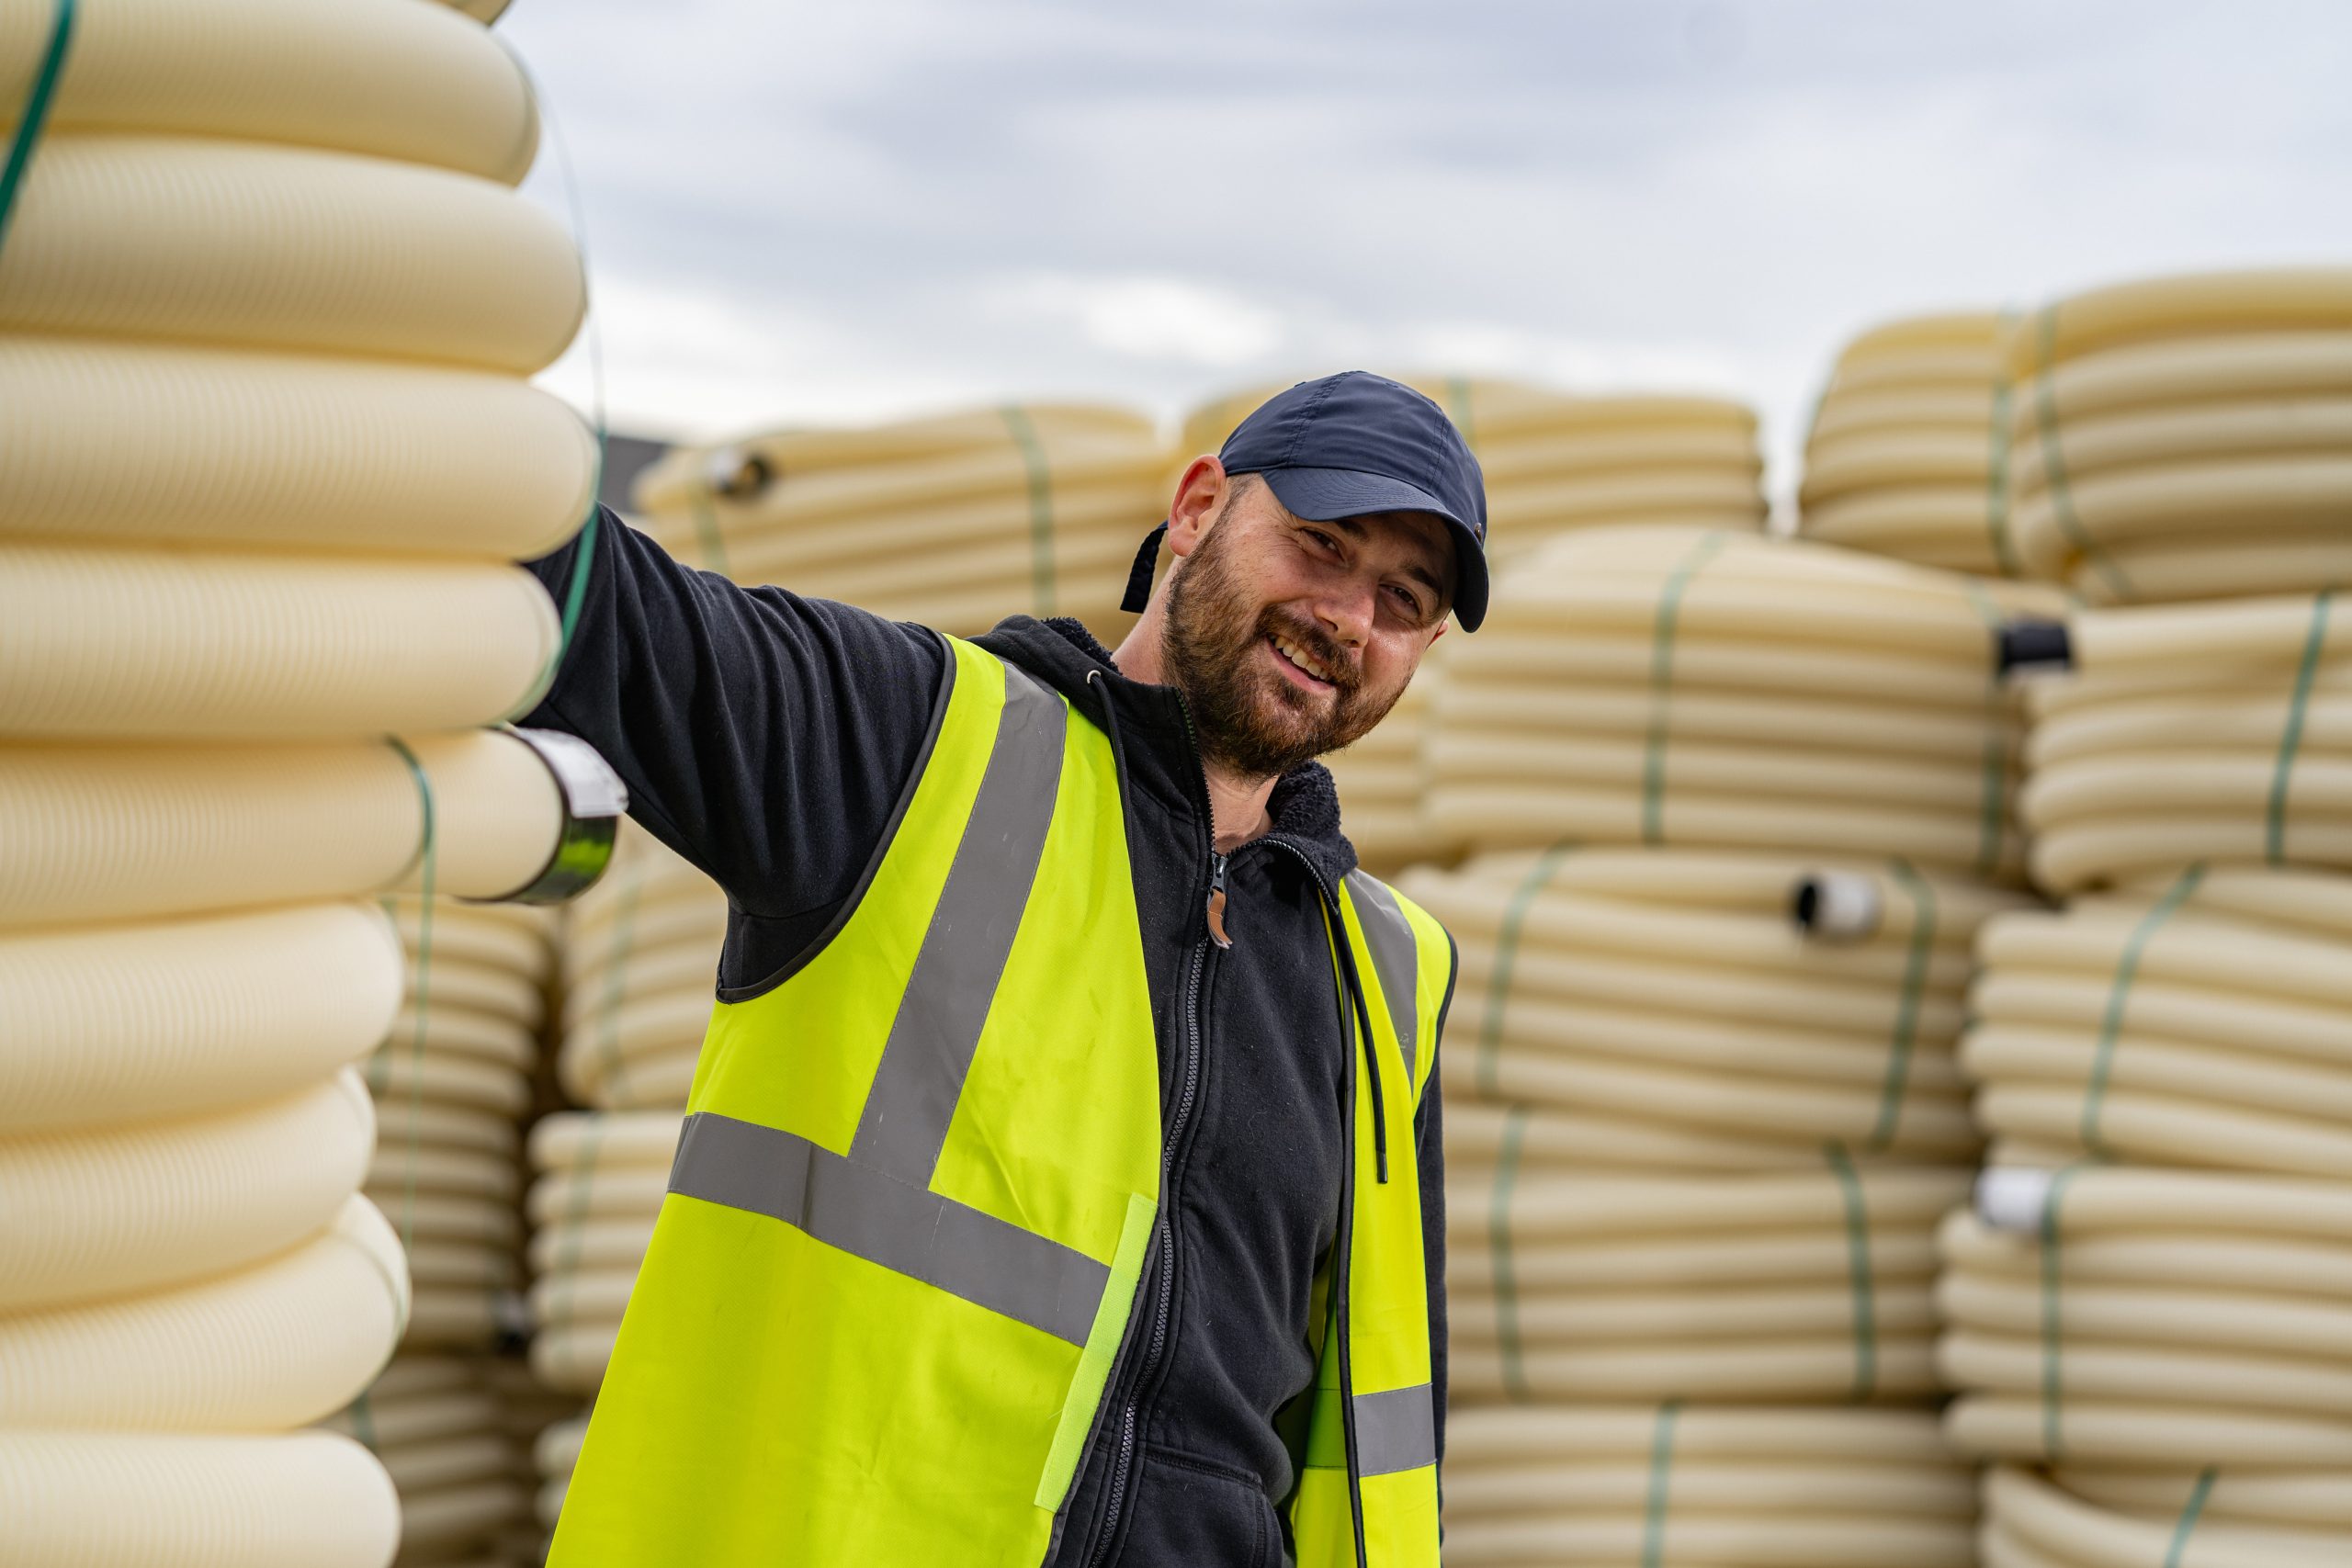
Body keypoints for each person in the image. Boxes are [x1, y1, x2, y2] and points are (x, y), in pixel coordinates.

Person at [530, 371, 1488, 1567]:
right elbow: (604, 609)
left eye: (1403, 598)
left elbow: (1370, 1443)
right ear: (1195, 510)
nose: (1349, 615)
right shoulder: (915, 750)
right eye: (1320, 544)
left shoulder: (1389, 976)